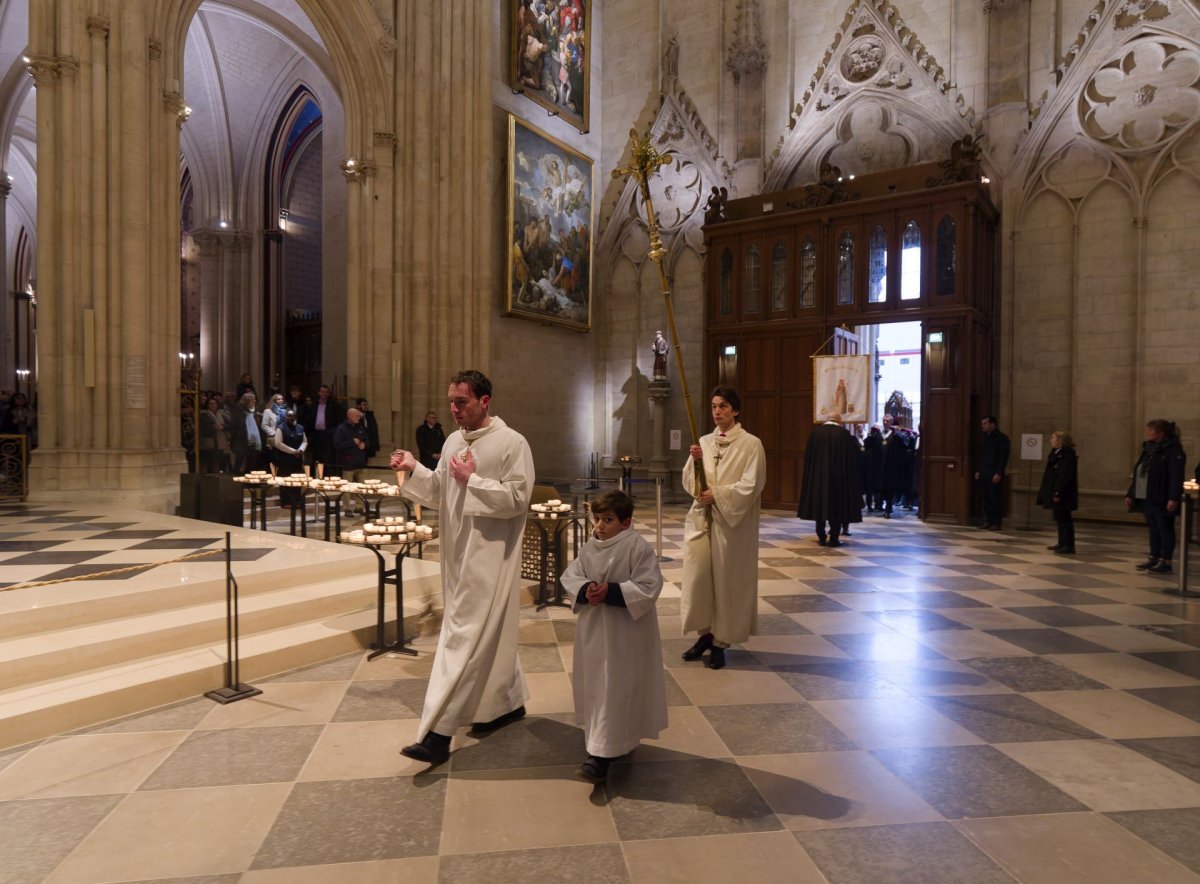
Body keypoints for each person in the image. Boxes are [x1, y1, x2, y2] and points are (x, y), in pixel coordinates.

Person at [389, 370, 534, 765]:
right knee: (488, 636)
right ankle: (505, 704)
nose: (454, 409)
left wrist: (475, 481)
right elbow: (439, 491)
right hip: (455, 553)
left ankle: (438, 734)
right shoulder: (453, 440)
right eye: (451, 401)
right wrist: (414, 467)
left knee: (462, 640)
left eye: (462, 402)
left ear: (484, 401)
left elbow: (519, 499)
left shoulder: (512, 443)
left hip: (490, 556)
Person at [560, 489, 667, 782]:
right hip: (595, 632)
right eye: (597, 519)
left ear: (626, 522)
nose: (599, 526)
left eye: (608, 519)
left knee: (618, 686)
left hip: (625, 634)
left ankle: (603, 754)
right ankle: (602, 744)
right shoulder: (589, 548)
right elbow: (572, 575)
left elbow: (649, 586)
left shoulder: (637, 547)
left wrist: (613, 591)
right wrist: (585, 589)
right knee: (597, 685)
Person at [681, 386, 766, 671]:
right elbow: (690, 483)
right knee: (699, 579)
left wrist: (716, 494)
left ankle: (721, 643)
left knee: (727, 583)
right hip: (702, 522)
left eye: (724, 406)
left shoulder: (751, 444)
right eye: (714, 406)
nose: (717, 411)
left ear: (736, 410)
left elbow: (751, 485)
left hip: (733, 527)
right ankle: (705, 635)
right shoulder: (704, 442)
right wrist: (694, 463)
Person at [1126, 419, 1186, 574]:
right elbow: (1140, 471)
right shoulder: (1149, 449)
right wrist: (1131, 493)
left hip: (1162, 496)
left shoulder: (1173, 450)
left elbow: (1175, 476)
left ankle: (1166, 560)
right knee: (1153, 528)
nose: (1147, 433)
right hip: (1147, 495)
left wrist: (1173, 497)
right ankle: (1154, 556)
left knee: (1164, 528)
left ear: (1161, 433)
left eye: (1151, 430)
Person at [797, 414, 863, 547]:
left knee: (819, 507)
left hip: (818, 479)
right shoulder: (844, 434)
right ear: (839, 420)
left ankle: (821, 537)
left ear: (827, 419)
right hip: (839, 479)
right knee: (837, 508)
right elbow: (853, 458)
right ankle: (834, 538)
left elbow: (809, 458)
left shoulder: (815, 433)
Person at [1038, 431, 1079, 555]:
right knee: (1059, 517)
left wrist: (1057, 492)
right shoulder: (1056, 452)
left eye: (1053, 438)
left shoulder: (1067, 454)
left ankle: (1068, 545)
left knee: (1065, 518)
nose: (1051, 440)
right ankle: (1061, 542)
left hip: (1063, 492)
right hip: (1054, 489)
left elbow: (1064, 475)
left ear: (1060, 440)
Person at [333, 408, 371, 515]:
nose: (359, 418)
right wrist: (352, 442)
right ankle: (347, 508)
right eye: (356, 416)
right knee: (347, 488)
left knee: (361, 487)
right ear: (349, 416)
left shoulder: (360, 427)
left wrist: (364, 444)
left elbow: (367, 440)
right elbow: (337, 445)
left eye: (359, 416)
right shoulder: (341, 429)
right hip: (348, 463)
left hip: (361, 462)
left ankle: (359, 506)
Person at [975, 415, 1010, 530]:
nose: (982, 426)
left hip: (994, 473)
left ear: (992, 424)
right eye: (982, 424)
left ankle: (996, 522)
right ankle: (989, 520)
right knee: (986, 498)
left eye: (985, 423)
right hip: (984, 472)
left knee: (995, 498)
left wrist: (999, 473)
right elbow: (983, 456)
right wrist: (979, 470)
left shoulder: (1002, 438)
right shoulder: (985, 437)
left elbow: (1003, 457)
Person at [303, 385, 342, 476]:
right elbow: (309, 420)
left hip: (328, 435)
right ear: (319, 393)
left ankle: (328, 479)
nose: (324, 394)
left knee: (328, 458)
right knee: (315, 458)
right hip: (316, 435)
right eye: (322, 391)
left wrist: (332, 432)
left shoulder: (334, 405)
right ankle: (316, 478)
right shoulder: (314, 405)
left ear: (328, 394)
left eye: (326, 392)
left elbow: (339, 421)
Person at [273, 410, 308, 509]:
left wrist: (300, 450)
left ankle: (297, 501)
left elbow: (305, 441)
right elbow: (278, 443)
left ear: (295, 417)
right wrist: (293, 451)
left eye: (292, 416)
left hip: (297, 459)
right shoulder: (280, 428)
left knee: (297, 481)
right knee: (285, 481)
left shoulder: (300, 428)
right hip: (285, 459)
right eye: (288, 416)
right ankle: (285, 502)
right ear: (285, 417)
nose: (290, 418)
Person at [879, 414, 911, 518]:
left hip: (892, 467)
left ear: (892, 422)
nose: (885, 423)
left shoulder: (896, 434)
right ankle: (883, 506)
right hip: (881, 466)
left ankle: (888, 508)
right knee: (882, 488)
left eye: (887, 421)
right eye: (883, 421)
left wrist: (898, 433)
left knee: (890, 488)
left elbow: (906, 444)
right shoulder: (878, 434)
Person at [227, 392, 261, 473]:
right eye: (253, 400)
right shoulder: (239, 409)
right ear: (247, 401)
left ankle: (247, 478)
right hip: (241, 439)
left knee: (250, 460)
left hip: (250, 439)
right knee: (240, 460)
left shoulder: (252, 410)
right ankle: (236, 479)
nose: (255, 401)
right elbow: (236, 425)